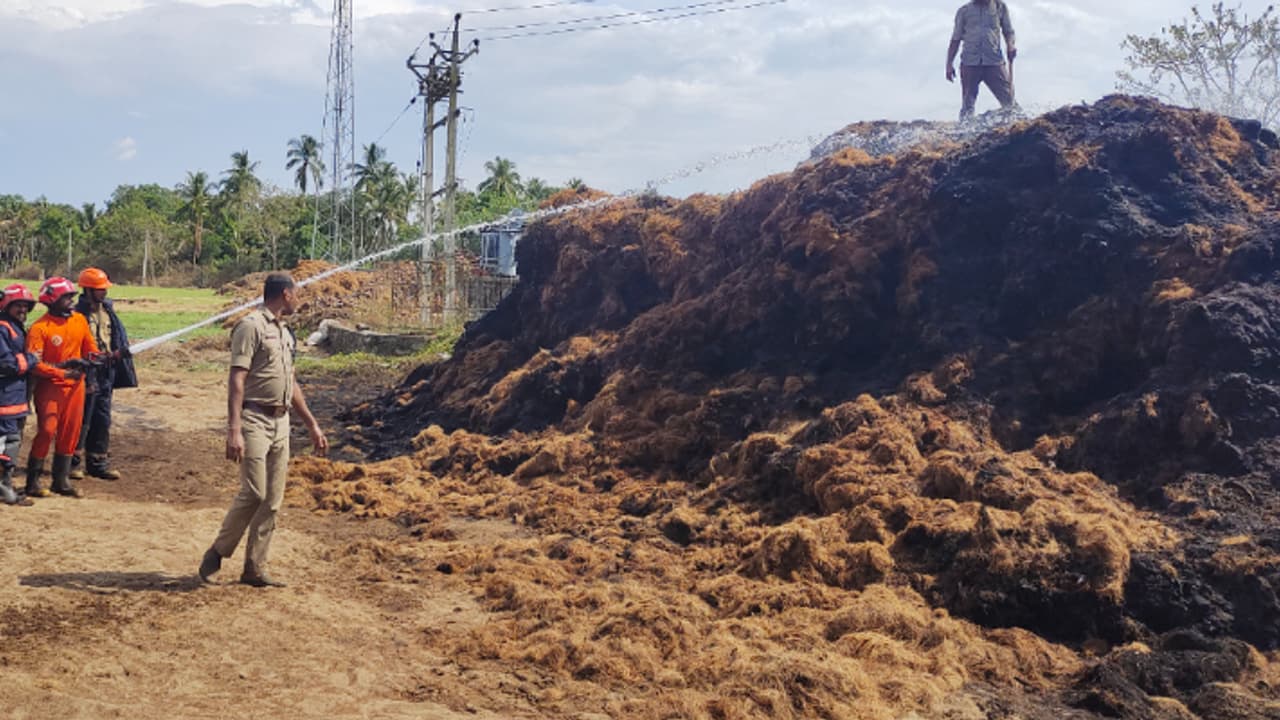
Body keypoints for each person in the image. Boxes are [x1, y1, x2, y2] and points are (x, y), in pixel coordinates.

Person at [198, 273, 327, 588]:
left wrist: (311, 424)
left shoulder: (286, 333)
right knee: (254, 492)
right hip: (254, 419)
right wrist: (234, 429)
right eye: (296, 293)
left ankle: (254, 567)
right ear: (285, 294)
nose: (299, 299)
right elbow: (237, 378)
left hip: (281, 422)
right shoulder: (250, 326)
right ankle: (218, 550)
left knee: (272, 500)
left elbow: (291, 383)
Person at [26, 276, 97, 499]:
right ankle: (33, 481)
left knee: (71, 433)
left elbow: (90, 347)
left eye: (71, 297)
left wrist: (94, 360)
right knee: (47, 430)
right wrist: (62, 373)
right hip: (50, 387)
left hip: (76, 386)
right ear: (51, 300)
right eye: (65, 298)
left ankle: (61, 480)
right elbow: (34, 364)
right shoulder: (40, 328)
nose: (71, 301)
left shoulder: (79, 320)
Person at [72, 267, 137, 481]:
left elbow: (116, 337)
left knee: (102, 417)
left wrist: (117, 356)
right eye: (100, 289)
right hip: (86, 372)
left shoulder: (108, 312)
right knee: (82, 418)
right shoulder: (75, 315)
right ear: (88, 290)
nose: (104, 293)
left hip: (106, 372)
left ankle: (98, 463)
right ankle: (73, 463)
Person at [946, 0, 1018, 121]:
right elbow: (955, 38)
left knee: (1009, 101)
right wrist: (949, 63)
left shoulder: (1000, 7)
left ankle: (1016, 129)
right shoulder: (964, 11)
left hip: (994, 62)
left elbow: (1008, 31)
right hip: (970, 63)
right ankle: (965, 132)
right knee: (967, 105)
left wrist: (1010, 45)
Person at [0, 284, 38, 506]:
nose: (23, 310)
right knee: (7, 442)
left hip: (13, 396)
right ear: (6, 305)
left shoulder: (13, 327)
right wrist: (32, 359)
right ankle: (5, 490)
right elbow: (6, 364)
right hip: (5, 398)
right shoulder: (3, 329)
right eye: (18, 306)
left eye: (26, 306)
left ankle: (6, 486)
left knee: (10, 442)